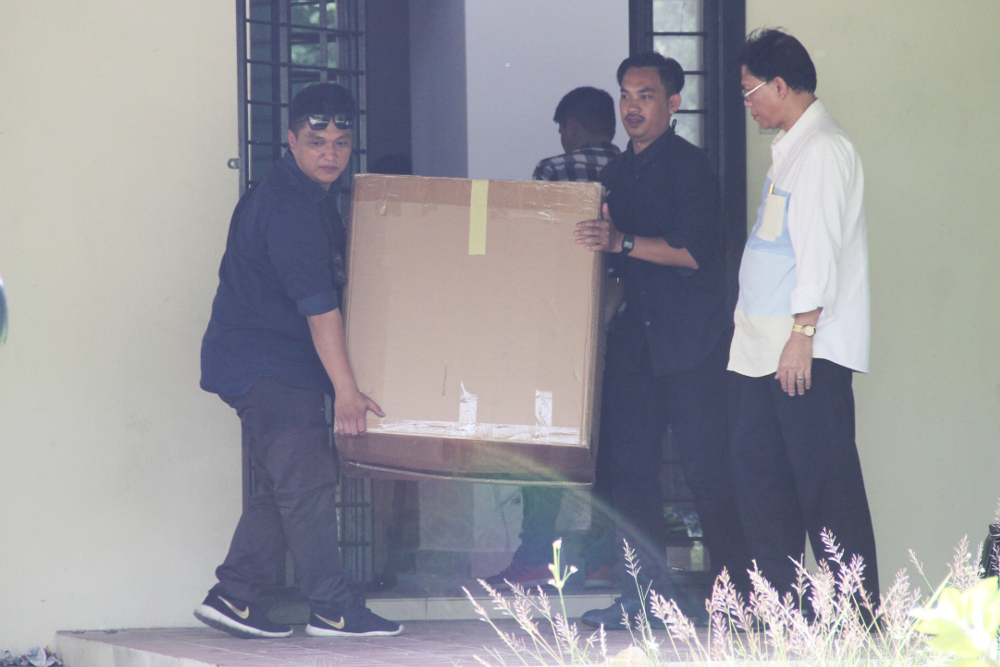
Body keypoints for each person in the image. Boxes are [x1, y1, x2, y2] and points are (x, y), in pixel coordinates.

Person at [194, 83, 402, 639]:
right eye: (316, 142)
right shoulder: (289, 207)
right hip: (268, 366)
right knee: (307, 484)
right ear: (290, 140)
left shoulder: (309, 198)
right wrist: (348, 393)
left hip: (268, 363)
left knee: (288, 484)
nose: (329, 153)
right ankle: (333, 609)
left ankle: (234, 595)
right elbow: (319, 309)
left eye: (340, 141)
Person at [576, 53, 751, 630]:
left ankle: (740, 603)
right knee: (628, 476)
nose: (632, 106)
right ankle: (642, 599)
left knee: (708, 473)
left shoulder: (692, 168)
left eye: (645, 95)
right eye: (626, 94)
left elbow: (694, 252)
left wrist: (622, 240)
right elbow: (618, 277)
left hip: (693, 345)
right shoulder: (617, 173)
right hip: (634, 348)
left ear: (673, 104)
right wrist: (589, 337)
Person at [729, 29, 879, 610]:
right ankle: (785, 616)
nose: (746, 103)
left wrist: (802, 336)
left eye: (749, 91)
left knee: (826, 489)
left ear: (781, 85)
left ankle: (861, 626)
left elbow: (818, 253)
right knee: (759, 476)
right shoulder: (794, 148)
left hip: (802, 352)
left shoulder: (821, 150)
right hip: (770, 351)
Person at [485, 87, 621, 591]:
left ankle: (537, 556)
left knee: (545, 447)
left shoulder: (554, 169)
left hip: (560, 329)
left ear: (574, 128)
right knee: (612, 451)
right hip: (622, 329)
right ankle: (604, 559)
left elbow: (537, 249)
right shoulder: (632, 170)